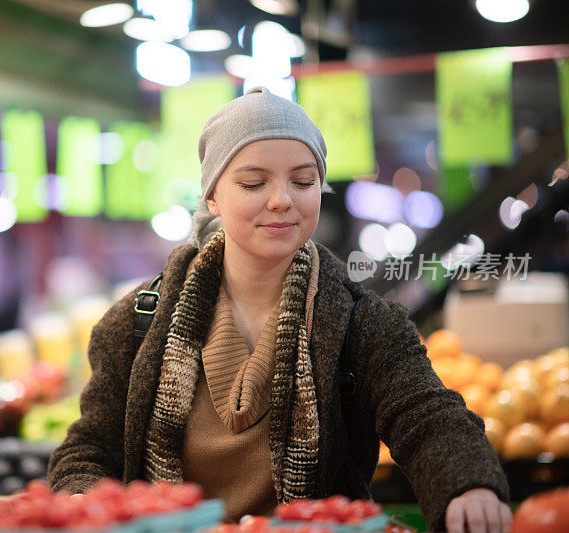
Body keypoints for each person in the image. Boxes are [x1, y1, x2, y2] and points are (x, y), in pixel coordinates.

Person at [48, 87, 511, 532]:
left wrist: (468, 484)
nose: (282, 200)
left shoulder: (363, 323)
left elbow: (426, 414)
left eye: (303, 181)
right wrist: (85, 505)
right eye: (253, 182)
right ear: (212, 196)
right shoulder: (135, 325)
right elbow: (89, 449)